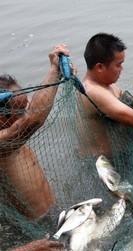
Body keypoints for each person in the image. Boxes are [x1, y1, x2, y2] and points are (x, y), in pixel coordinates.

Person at [0, 44, 70, 220]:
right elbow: (34, 119)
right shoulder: (3, 141)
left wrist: (58, 70)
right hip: (36, 227)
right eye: (19, 112)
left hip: (52, 213)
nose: (25, 113)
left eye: (25, 107)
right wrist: (54, 70)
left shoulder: (12, 128)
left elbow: (34, 108)